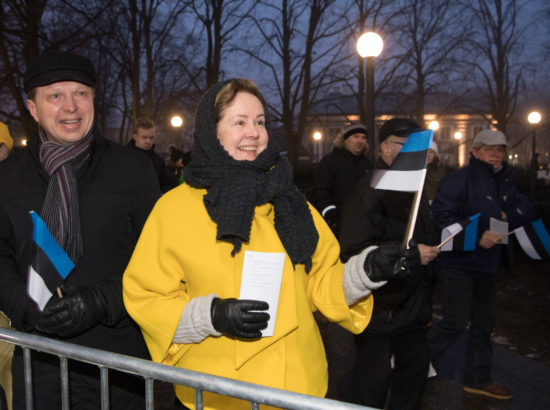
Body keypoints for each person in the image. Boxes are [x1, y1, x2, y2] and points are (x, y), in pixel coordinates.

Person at [122, 79, 420, 410]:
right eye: (239, 122)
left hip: (298, 389)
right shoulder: (175, 209)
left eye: (260, 121)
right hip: (219, 395)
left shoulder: (290, 202)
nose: (254, 132)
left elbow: (322, 281)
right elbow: (146, 297)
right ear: (211, 132)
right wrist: (212, 315)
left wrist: (367, 270)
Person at [0, 50, 161, 410]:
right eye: (55, 96)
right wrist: (26, 308)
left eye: (81, 93)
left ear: (93, 100)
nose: (70, 107)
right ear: (32, 107)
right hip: (39, 361)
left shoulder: (134, 170)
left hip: (120, 363)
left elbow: (158, 264)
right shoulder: (7, 178)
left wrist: (102, 302)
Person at [339, 117, 440, 409]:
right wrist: (411, 255)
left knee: (413, 379)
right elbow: (353, 251)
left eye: (417, 146)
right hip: (381, 311)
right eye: (401, 144)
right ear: (384, 148)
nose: (412, 152)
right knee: (371, 388)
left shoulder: (414, 188)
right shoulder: (371, 188)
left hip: (413, 311)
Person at [429, 129, 536, 400]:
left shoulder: (506, 180)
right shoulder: (458, 179)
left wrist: (505, 214)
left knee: (484, 324)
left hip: (488, 264)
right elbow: (440, 217)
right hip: (459, 263)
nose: (496, 153)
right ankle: (411, 361)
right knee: (454, 322)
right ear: (475, 151)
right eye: (490, 149)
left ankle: (478, 379)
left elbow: (527, 210)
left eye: (500, 149)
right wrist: (477, 236)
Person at [312, 123, 371, 234]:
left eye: (363, 137)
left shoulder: (367, 164)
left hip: (363, 224)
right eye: (356, 136)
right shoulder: (330, 161)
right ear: (345, 140)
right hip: (337, 223)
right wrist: (330, 214)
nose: (360, 140)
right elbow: (320, 190)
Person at [127, 117, 173, 192]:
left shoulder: (158, 161)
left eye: (151, 138)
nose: (148, 141)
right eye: (144, 137)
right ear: (135, 136)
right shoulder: (123, 157)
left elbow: (165, 184)